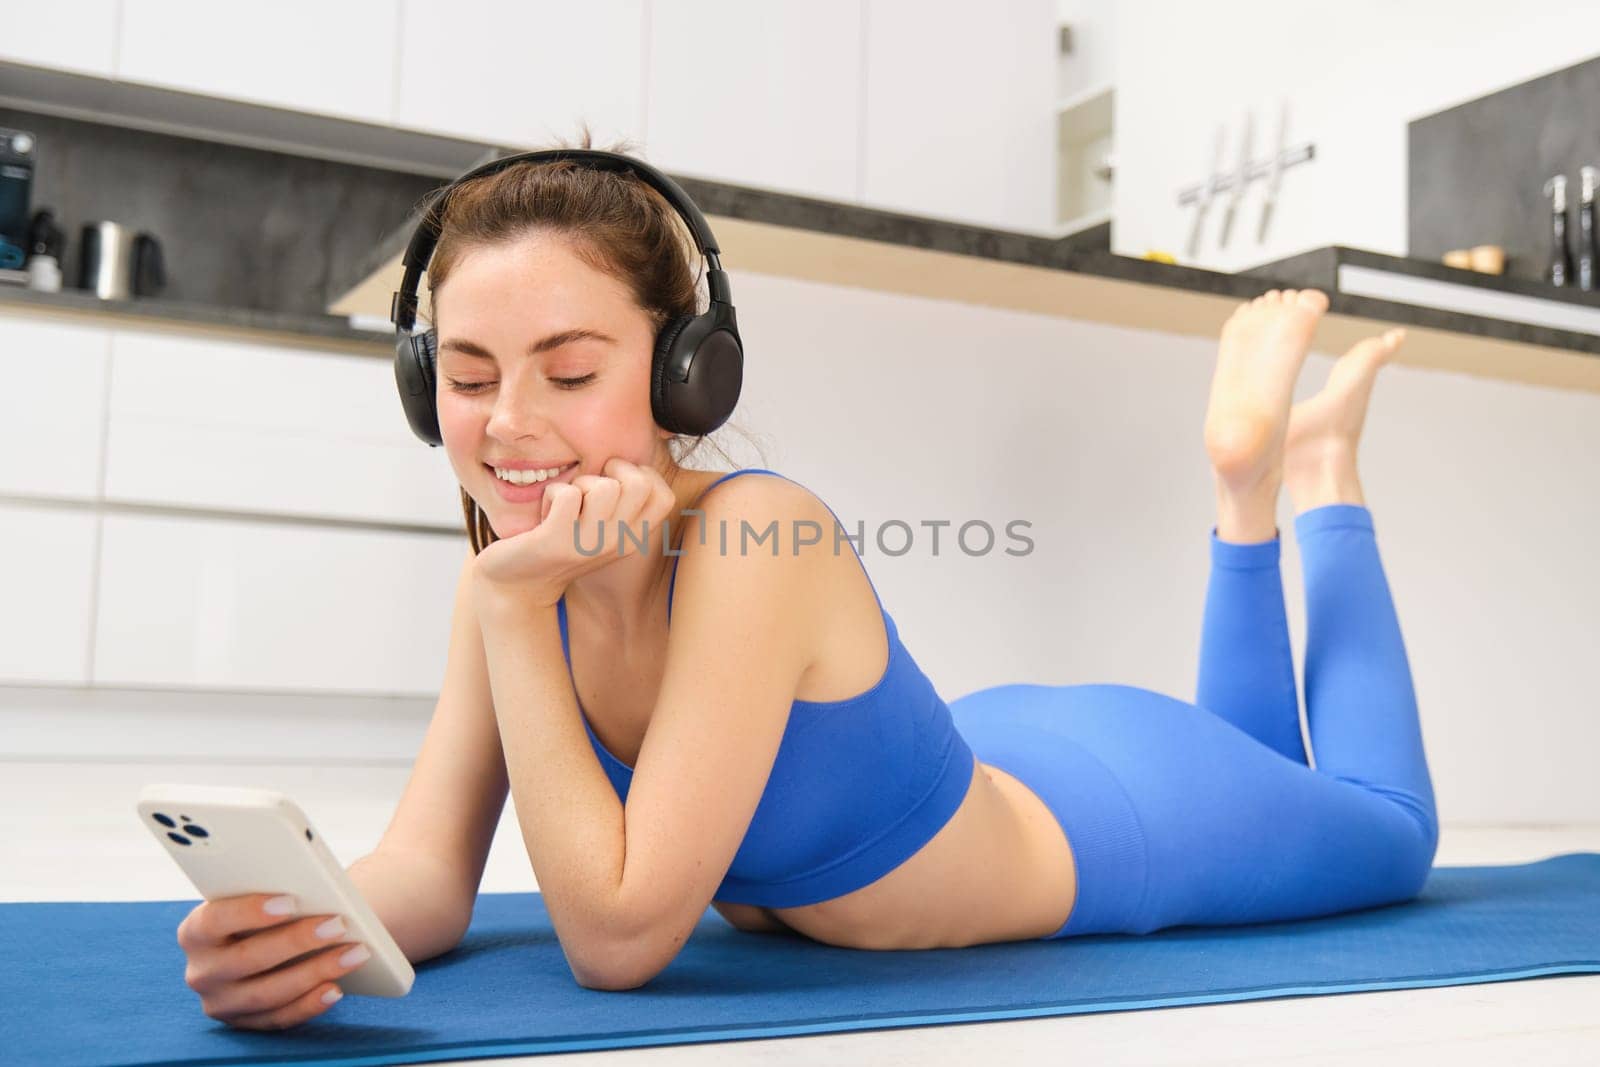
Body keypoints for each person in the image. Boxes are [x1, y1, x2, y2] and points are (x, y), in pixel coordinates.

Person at [173, 131, 1436, 1028]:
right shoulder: (517, 580)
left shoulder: (748, 537)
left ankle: (1298, 481)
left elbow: (615, 940)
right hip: (990, 748)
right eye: (464, 375)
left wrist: (513, 601)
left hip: (1120, 814)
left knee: (1387, 824)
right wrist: (310, 922)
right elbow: (430, 871)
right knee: (1273, 763)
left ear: (687, 377)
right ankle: (1248, 489)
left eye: (569, 373)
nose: (509, 423)